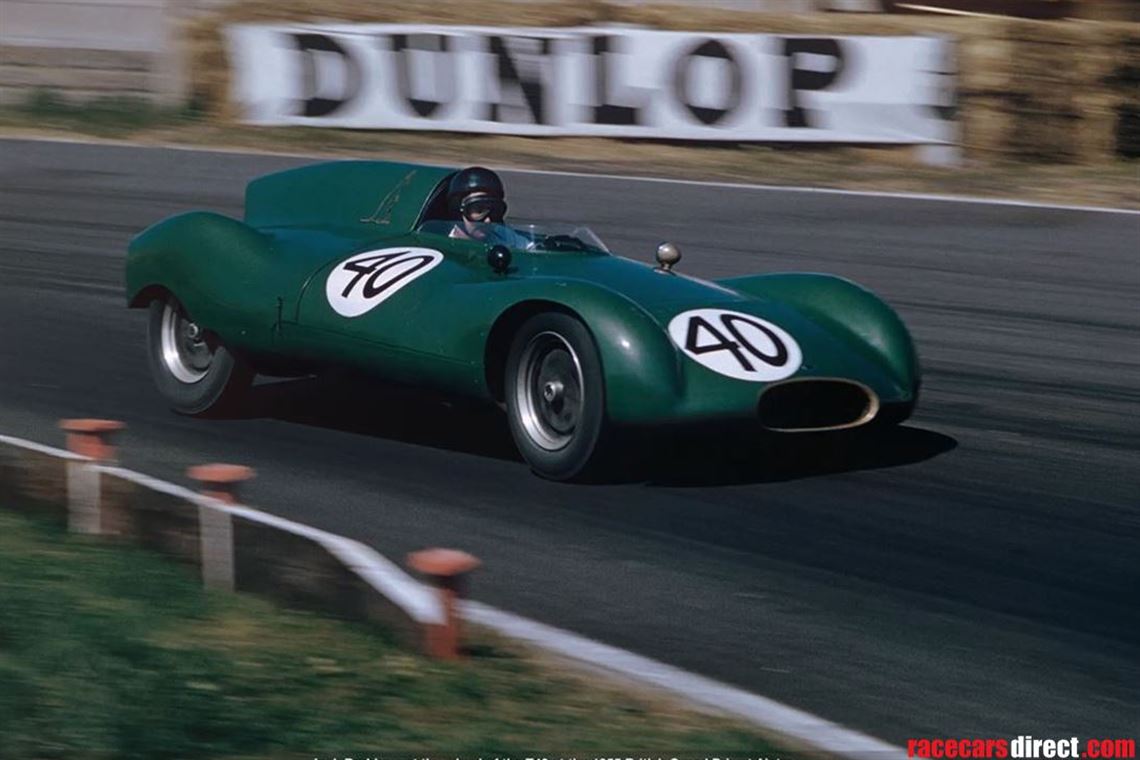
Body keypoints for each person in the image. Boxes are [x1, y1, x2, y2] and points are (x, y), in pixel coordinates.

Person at [446, 166, 531, 249]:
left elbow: (529, 249)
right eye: (479, 211)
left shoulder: (501, 235)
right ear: (457, 211)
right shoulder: (445, 246)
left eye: (494, 211)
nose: (488, 221)